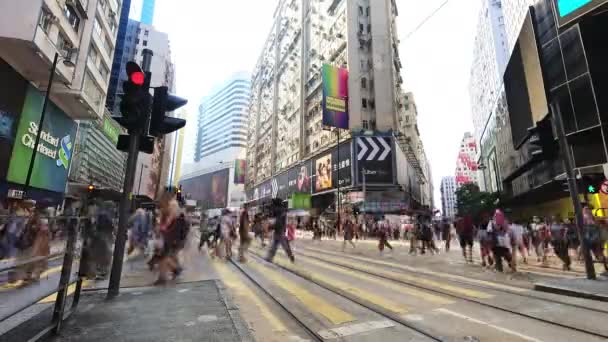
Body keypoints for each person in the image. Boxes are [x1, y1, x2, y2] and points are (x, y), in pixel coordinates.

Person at [266, 198, 295, 263]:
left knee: (282, 245)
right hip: (279, 230)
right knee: (275, 245)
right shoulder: (281, 210)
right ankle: (269, 258)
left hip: (279, 231)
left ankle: (290, 256)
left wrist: (271, 227)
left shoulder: (279, 211)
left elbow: (278, 222)